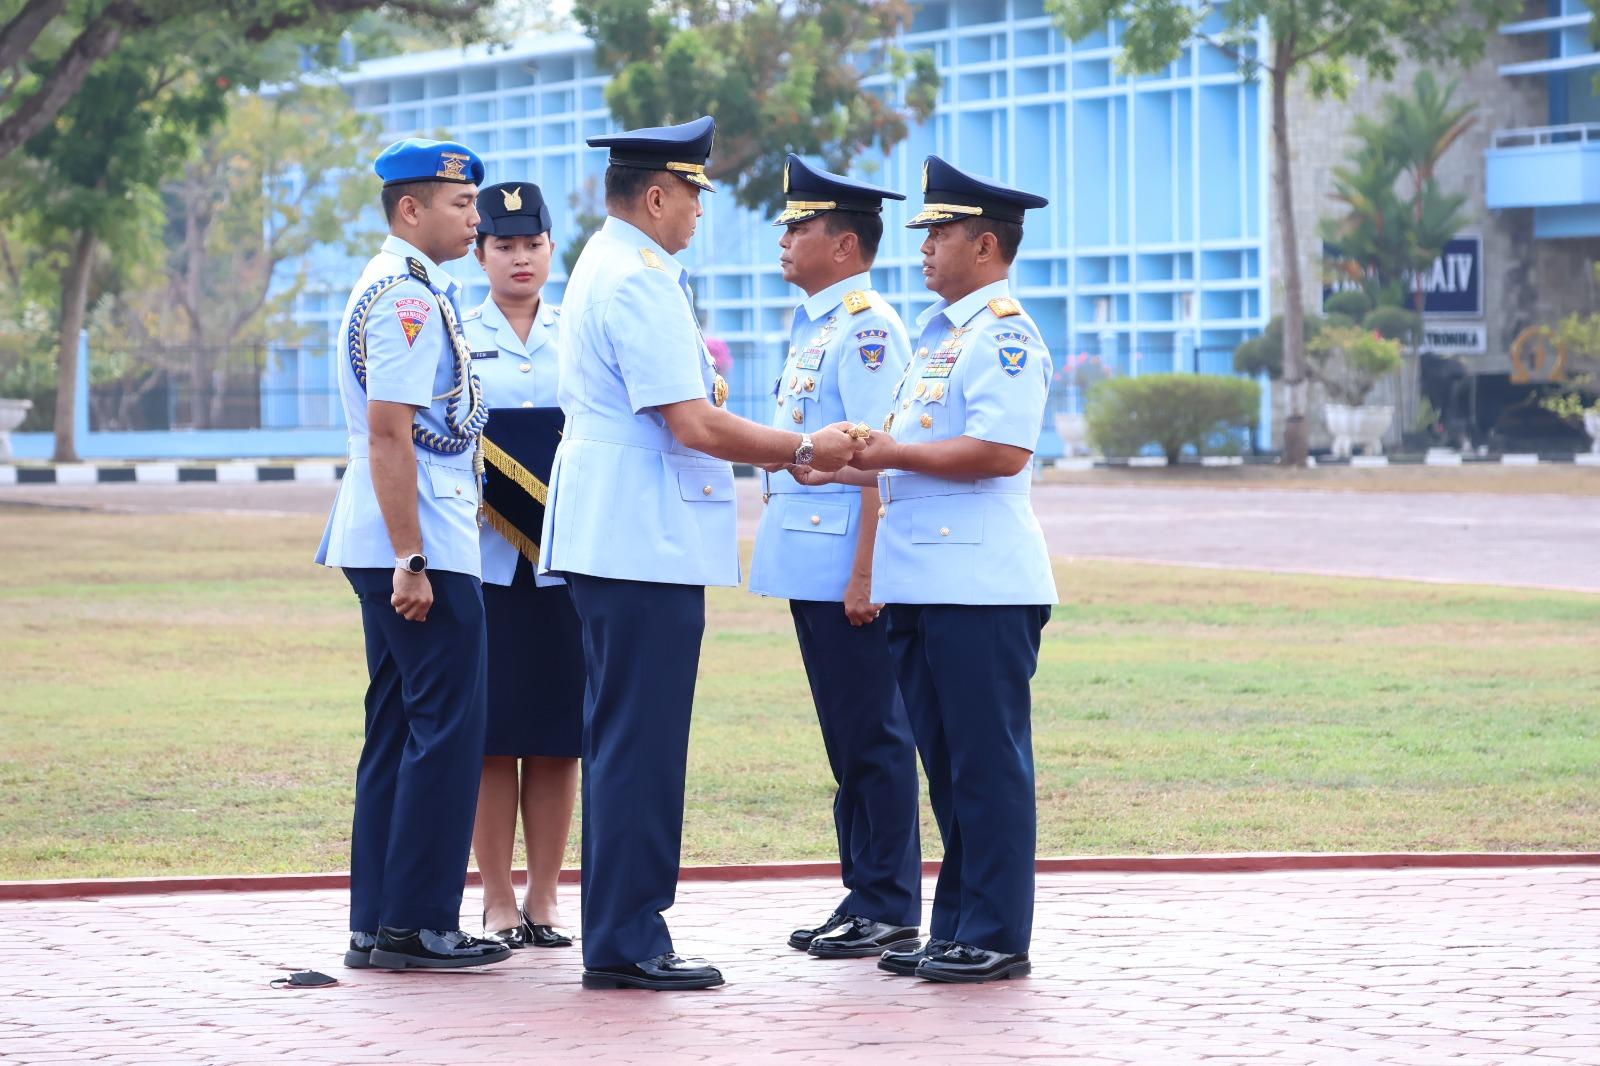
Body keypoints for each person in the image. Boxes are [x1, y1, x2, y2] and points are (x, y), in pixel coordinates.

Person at [537, 116, 864, 991]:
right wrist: (802, 448)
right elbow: (693, 422)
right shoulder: (639, 279)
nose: (696, 213)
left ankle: (621, 927)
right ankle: (629, 937)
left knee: (623, 738)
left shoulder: (617, 264)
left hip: (628, 535)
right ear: (655, 194)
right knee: (639, 743)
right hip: (641, 539)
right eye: (692, 194)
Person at [791, 155, 1055, 983]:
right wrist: (841, 462)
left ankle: (998, 933)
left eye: (940, 232)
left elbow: (1002, 452)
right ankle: (957, 925)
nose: (925, 247)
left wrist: (890, 450)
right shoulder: (943, 336)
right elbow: (908, 458)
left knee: (987, 765)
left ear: (985, 243)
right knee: (947, 769)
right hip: (927, 583)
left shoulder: (1004, 333)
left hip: (978, 586)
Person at [314, 138, 511, 972]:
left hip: (399, 534)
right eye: (461, 205)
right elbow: (393, 432)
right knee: (446, 732)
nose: (475, 218)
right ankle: (420, 924)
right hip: (419, 542)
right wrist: (412, 558)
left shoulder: (406, 286)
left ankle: (379, 921)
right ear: (410, 210)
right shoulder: (405, 298)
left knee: (398, 728)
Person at [748, 154, 923, 961]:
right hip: (810, 557)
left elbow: (871, 457)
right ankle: (863, 891)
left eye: (801, 226)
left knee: (873, 735)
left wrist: (866, 572)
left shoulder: (868, 327)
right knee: (845, 737)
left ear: (845, 245)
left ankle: (887, 901)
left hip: (844, 564)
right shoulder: (818, 323)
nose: (785, 238)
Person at [461, 180, 582, 950]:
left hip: (567, 564)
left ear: (550, 249)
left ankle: (545, 895)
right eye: (503, 245)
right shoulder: (455, 331)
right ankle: (496, 897)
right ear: (480, 253)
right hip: (482, 562)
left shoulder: (578, 335)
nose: (519, 258)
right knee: (490, 737)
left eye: (532, 244)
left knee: (557, 735)